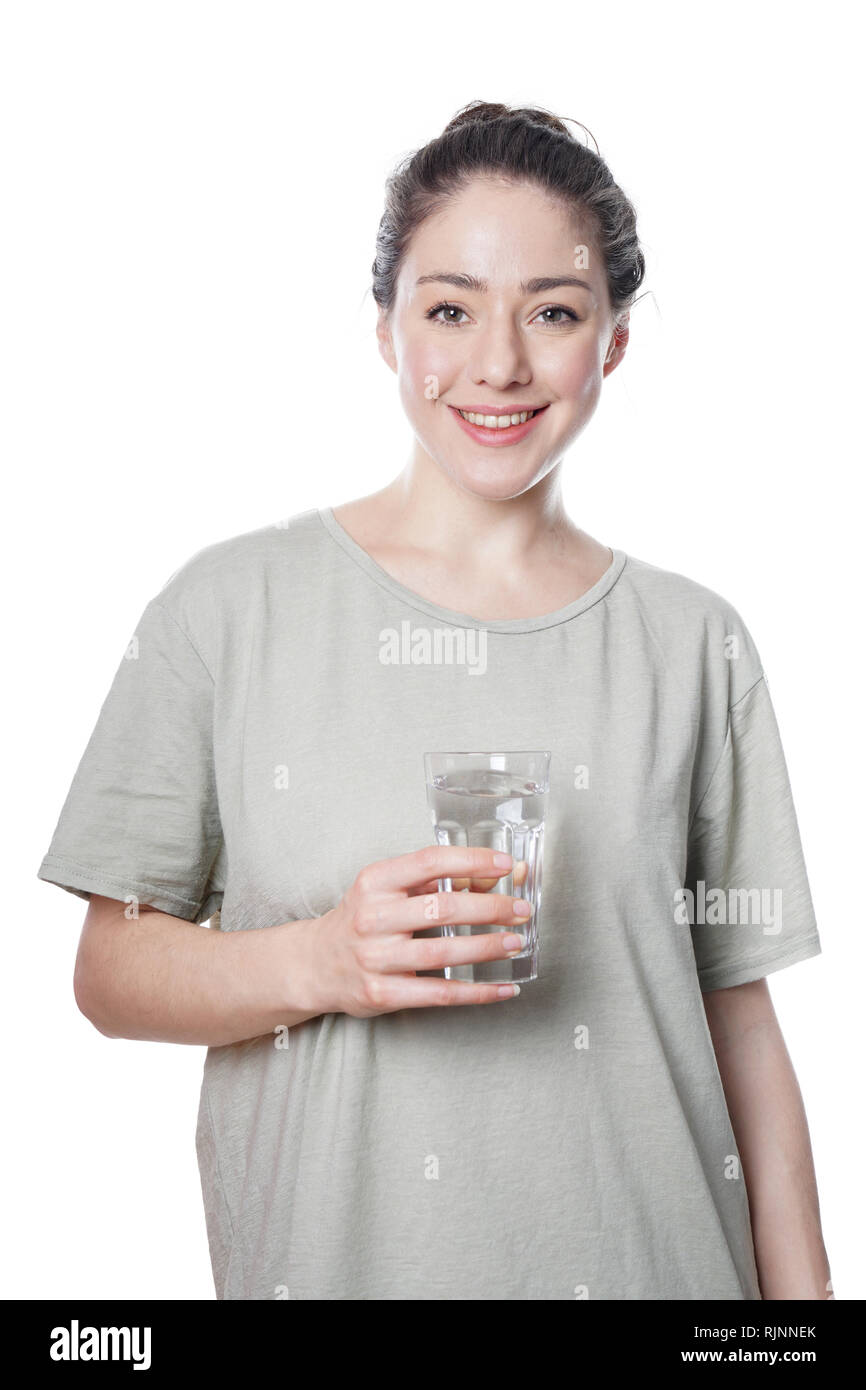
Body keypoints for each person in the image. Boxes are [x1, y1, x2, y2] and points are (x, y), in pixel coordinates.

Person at [37, 100, 831, 1301]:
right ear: (385, 328)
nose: (497, 364)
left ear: (610, 342)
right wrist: (324, 960)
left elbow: (740, 1025)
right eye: (449, 308)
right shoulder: (227, 609)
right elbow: (108, 972)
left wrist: (802, 1321)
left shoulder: (694, 643)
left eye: (552, 313)